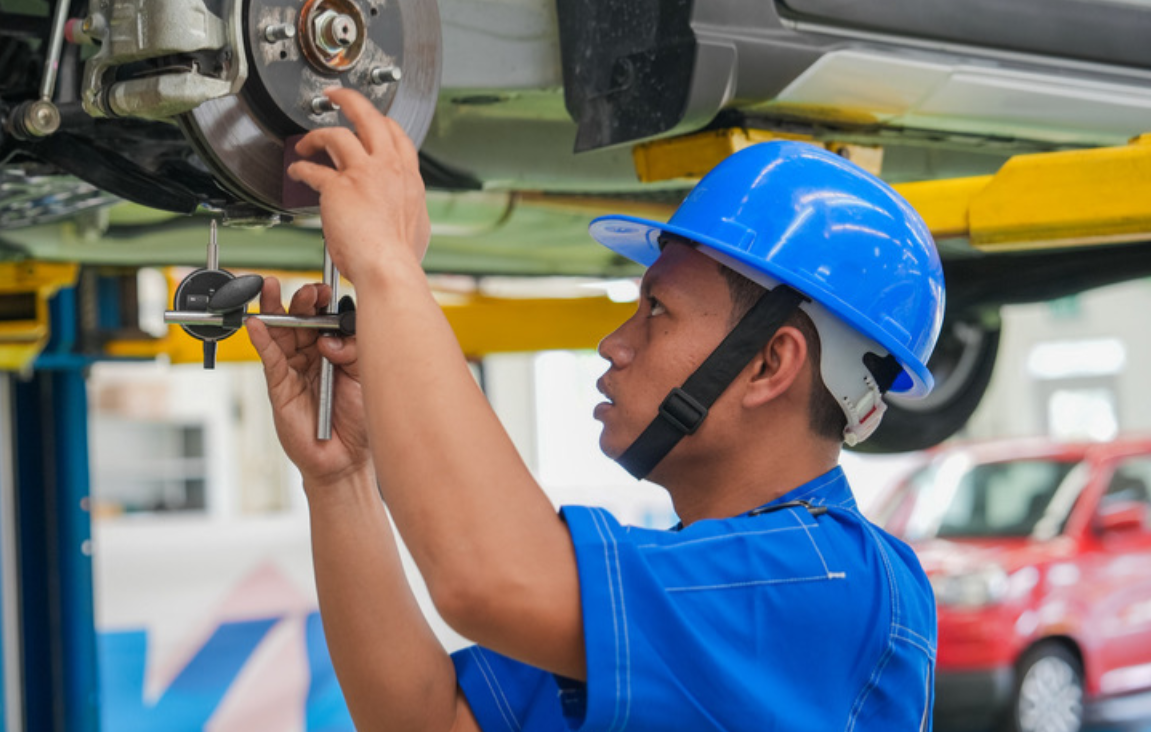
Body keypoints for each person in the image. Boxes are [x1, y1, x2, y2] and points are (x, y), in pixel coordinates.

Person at [246, 87, 945, 731]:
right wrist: (341, 479)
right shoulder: (683, 590)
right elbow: (429, 720)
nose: (613, 344)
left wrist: (389, 265)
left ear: (768, 364)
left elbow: (488, 579)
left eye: (657, 310)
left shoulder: (837, 582)